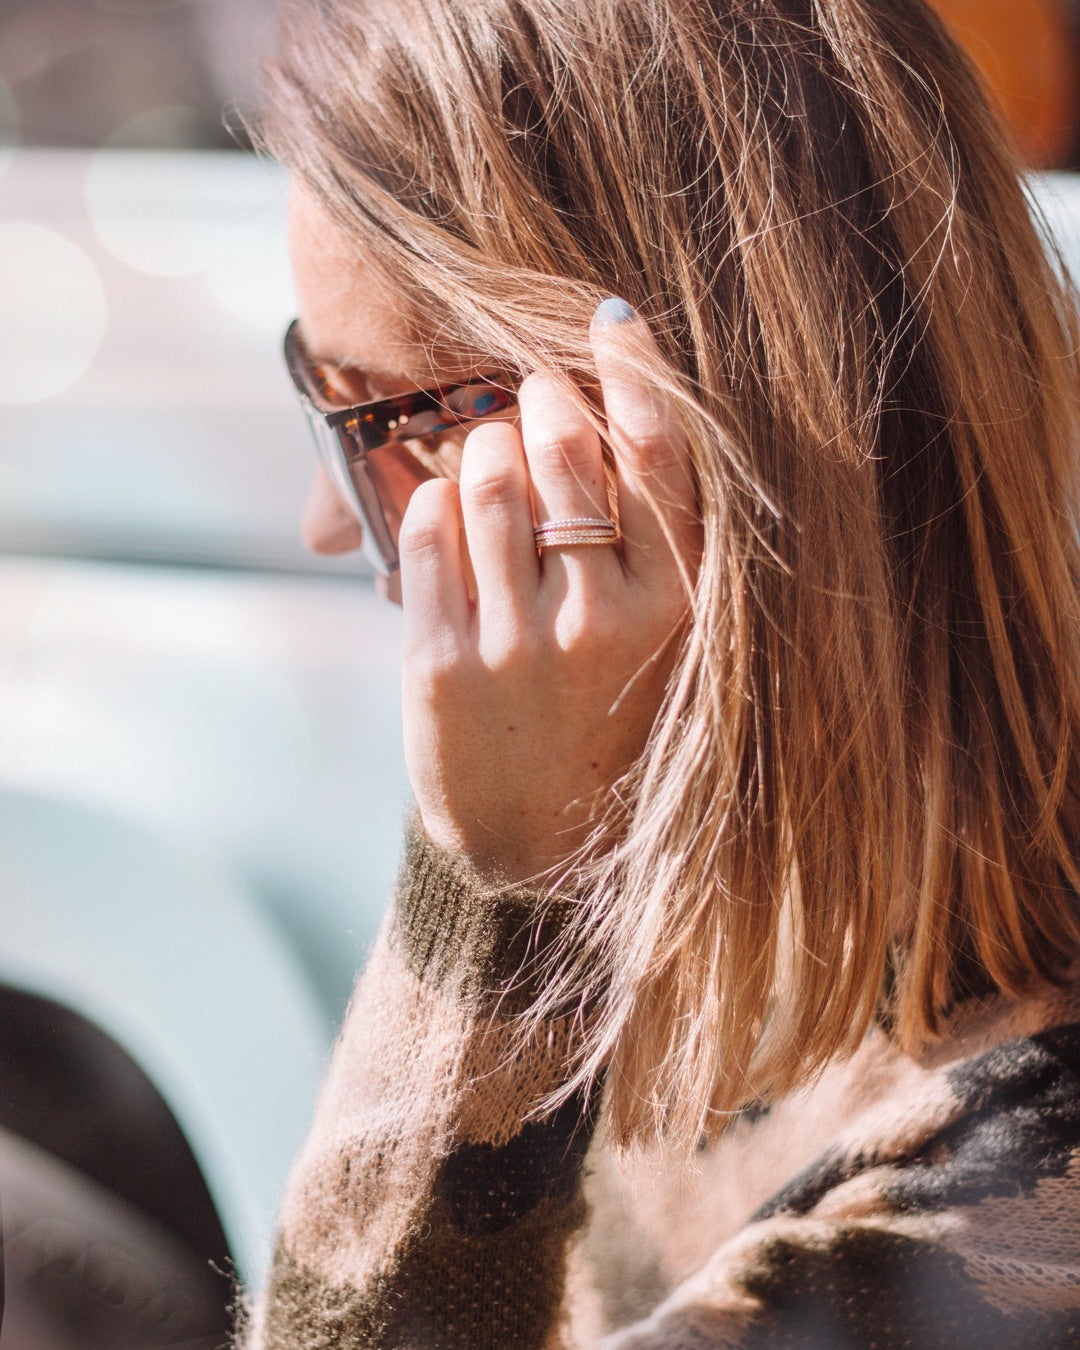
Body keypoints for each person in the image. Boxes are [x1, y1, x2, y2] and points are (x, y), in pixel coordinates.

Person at [242, 0, 1080, 1344]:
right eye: (321, 397)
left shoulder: (1012, 1209)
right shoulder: (754, 927)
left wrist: (494, 893)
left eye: (386, 419)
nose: (339, 520)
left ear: (634, 437)